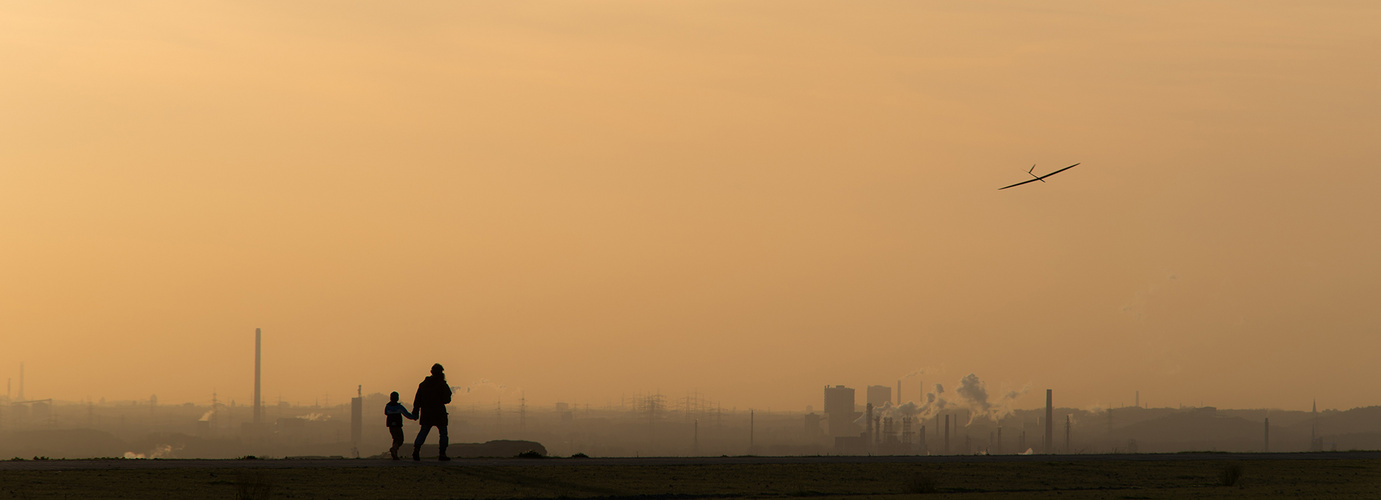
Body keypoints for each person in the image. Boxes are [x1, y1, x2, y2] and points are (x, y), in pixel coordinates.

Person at [412, 363, 453, 461]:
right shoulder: (442, 384)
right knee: (443, 434)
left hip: (426, 413)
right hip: (439, 413)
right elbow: (447, 399)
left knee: (423, 432)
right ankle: (442, 454)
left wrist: (415, 412)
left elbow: (417, 400)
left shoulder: (423, 385)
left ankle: (416, 450)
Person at [384, 391, 417, 460]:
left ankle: (395, 454)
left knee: (395, 439)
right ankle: (394, 449)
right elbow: (407, 414)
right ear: (397, 398)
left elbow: (386, 413)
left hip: (390, 426)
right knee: (400, 440)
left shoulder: (387, 406)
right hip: (398, 425)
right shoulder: (399, 407)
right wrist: (414, 417)